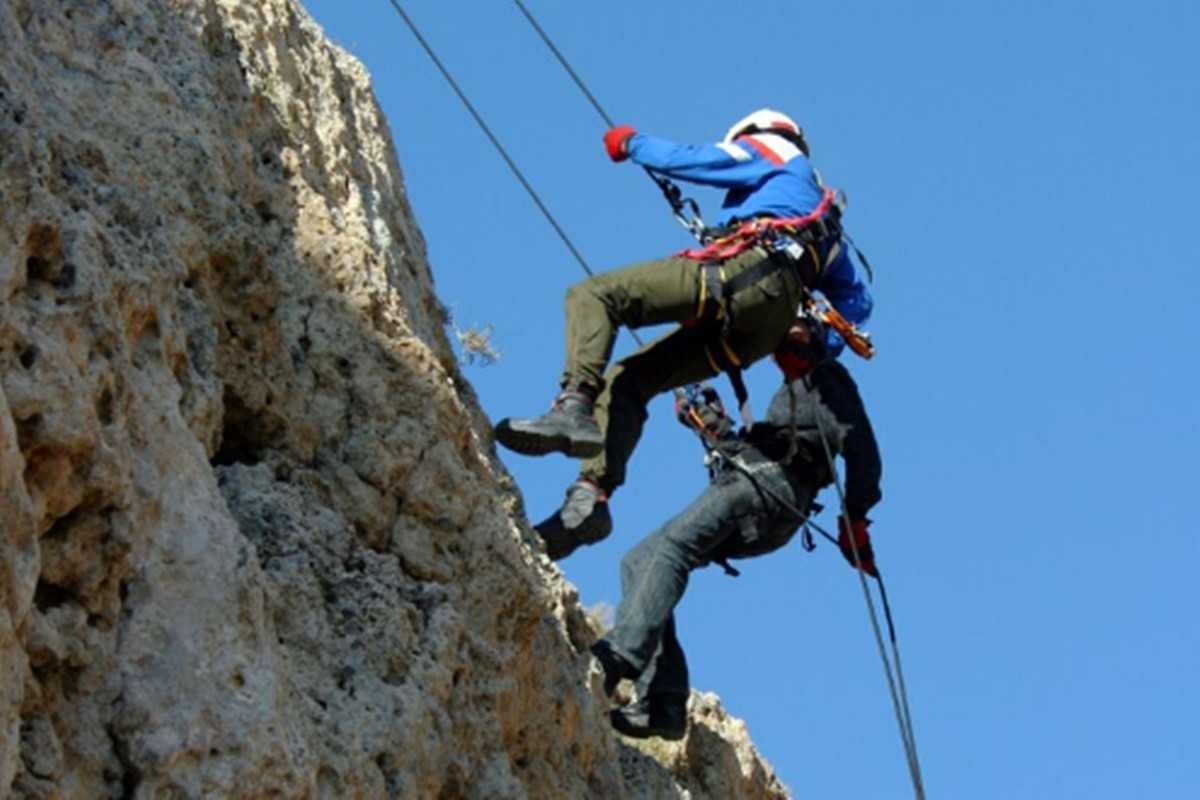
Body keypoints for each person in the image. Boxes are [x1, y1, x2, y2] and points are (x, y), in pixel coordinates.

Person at [493, 109, 874, 558]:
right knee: (630, 380)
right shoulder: (827, 227)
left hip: (745, 273)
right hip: (761, 329)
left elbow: (700, 160)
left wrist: (632, 145)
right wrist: (815, 345)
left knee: (594, 297)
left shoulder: (776, 148)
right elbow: (858, 302)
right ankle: (590, 498)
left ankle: (573, 404)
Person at [588, 315, 883, 739]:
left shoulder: (825, 377)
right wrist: (708, 424)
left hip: (764, 486)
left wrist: (855, 515)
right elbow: (761, 447)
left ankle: (620, 655)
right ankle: (664, 702)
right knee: (640, 561)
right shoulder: (794, 394)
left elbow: (862, 449)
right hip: (766, 496)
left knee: (671, 550)